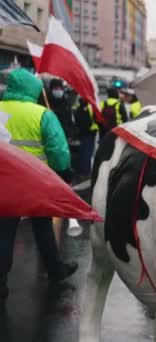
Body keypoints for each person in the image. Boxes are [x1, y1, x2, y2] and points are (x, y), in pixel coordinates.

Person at [0, 68, 78, 304]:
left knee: (4, 231)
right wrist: (63, 174)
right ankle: (55, 270)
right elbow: (58, 150)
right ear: (33, 89)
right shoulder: (42, 114)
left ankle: (1, 281)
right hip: (35, 181)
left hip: (4, 181)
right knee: (43, 227)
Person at [73, 97, 98, 179]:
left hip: (83, 133)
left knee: (84, 152)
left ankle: (84, 171)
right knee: (87, 153)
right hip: (89, 133)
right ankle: (85, 172)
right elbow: (92, 120)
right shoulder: (89, 106)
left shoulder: (77, 106)